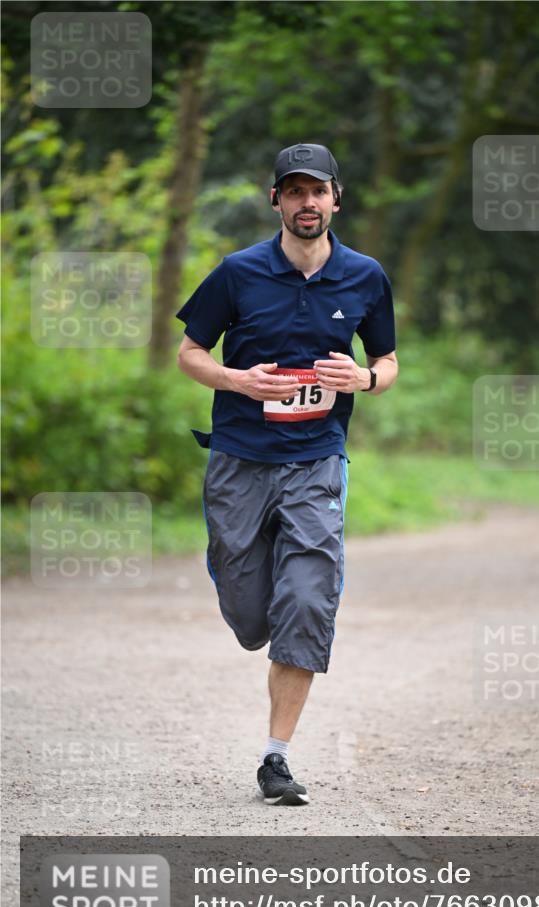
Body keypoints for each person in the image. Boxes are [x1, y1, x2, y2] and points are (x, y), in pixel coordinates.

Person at [175, 143, 398, 805]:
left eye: (318, 191)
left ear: (336, 199)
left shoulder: (364, 276)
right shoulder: (237, 273)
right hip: (239, 460)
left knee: (304, 601)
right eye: (294, 192)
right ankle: (242, 587)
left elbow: (386, 362)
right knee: (250, 618)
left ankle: (276, 758)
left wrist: (361, 378)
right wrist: (235, 379)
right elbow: (189, 354)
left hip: (316, 461)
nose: (307, 203)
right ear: (275, 200)